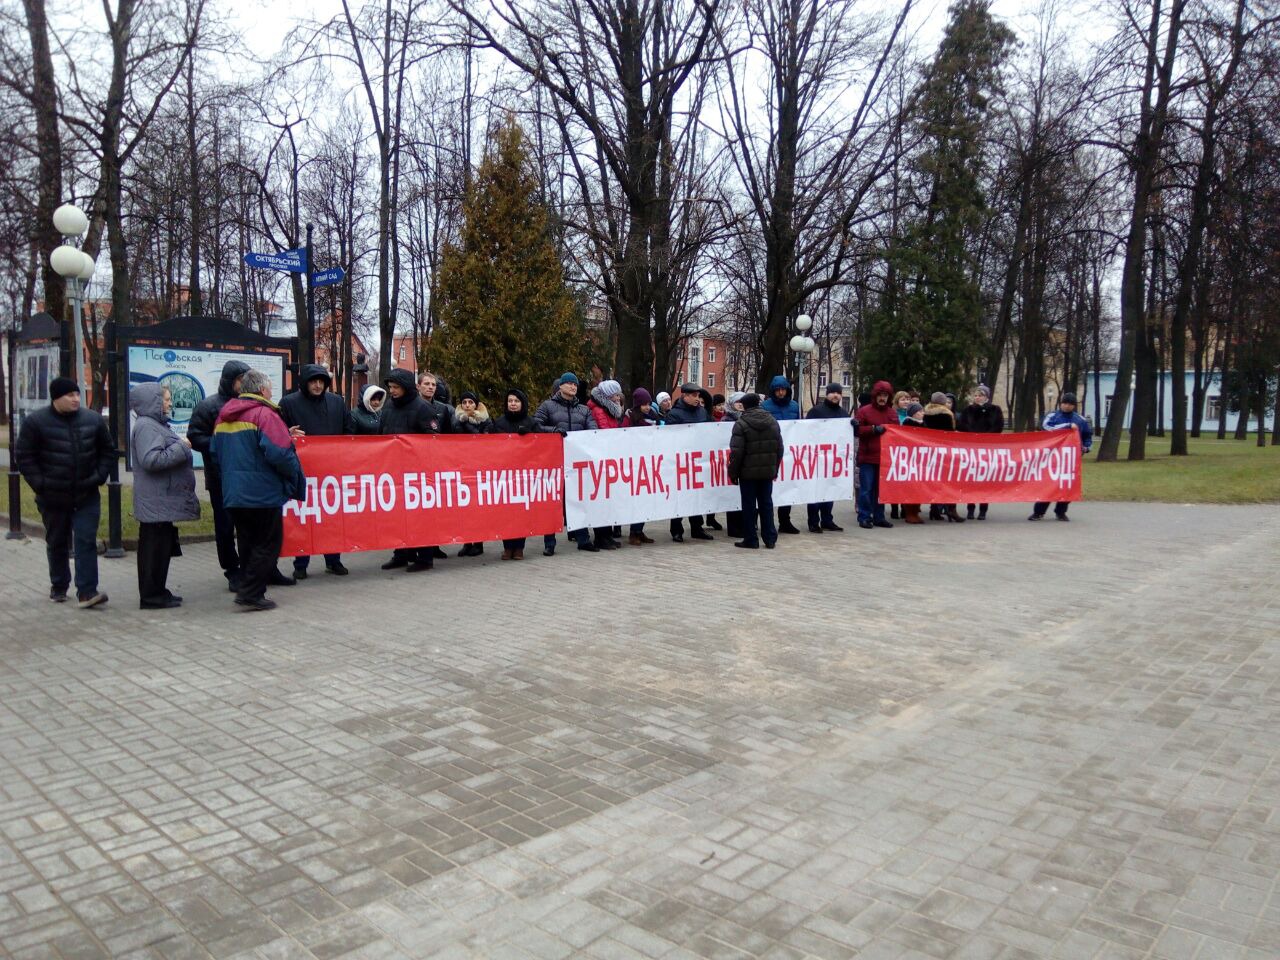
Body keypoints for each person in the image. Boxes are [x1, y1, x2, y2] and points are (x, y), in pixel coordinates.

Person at [211, 369, 306, 612]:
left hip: (234, 492)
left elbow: (214, 453)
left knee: (247, 542)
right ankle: (250, 593)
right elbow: (280, 454)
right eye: (270, 389)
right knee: (268, 543)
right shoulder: (264, 414)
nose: (271, 393)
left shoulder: (223, 417)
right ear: (262, 390)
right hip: (262, 493)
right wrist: (293, 473)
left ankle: (250, 586)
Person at [15, 377, 113, 608]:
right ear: (56, 398)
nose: (76, 399)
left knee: (86, 540)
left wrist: (99, 476)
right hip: (53, 496)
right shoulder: (36, 422)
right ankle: (59, 585)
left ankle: (87, 592)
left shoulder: (93, 420)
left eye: (77, 394)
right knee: (57, 541)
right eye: (70, 395)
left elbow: (107, 451)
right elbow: (25, 456)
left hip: (86, 493)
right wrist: (41, 484)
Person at [280, 365, 356, 578]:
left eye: (321, 381)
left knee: (332, 518)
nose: (317, 385)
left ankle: (333, 560)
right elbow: (276, 432)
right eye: (313, 381)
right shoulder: (288, 403)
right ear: (304, 383)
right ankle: (301, 564)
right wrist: (288, 435)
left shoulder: (336, 402)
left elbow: (349, 430)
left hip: (332, 472)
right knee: (303, 518)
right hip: (302, 471)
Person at [129, 383, 200, 609]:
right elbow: (151, 460)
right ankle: (151, 596)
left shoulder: (154, 424)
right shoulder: (146, 427)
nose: (170, 403)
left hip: (160, 500)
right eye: (166, 399)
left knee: (160, 549)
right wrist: (182, 447)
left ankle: (158, 591)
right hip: (156, 501)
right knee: (154, 550)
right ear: (153, 402)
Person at [189, 359, 252, 590]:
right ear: (229, 380)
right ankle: (232, 570)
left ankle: (254, 568)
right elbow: (195, 436)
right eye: (240, 379)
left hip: (247, 477)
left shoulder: (250, 404)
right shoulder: (208, 406)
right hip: (220, 477)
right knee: (225, 527)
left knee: (250, 526)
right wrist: (222, 443)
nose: (243, 384)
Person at [380, 368, 441, 571]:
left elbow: (433, 440)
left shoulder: (423, 408)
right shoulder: (389, 407)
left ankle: (425, 558)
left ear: (406, 387)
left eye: (396, 387)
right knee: (398, 516)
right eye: (390, 387)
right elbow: (381, 435)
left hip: (418, 473)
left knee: (420, 516)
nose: (392, 391)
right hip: (394, 471)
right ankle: (401, 554)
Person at [534, 372, 598, 554]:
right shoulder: (547, 406)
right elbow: (536, 425)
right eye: (569, 383)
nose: (572, 387)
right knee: (553, 501)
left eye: (575, 384)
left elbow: (593, 430)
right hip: (554, 461)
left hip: (576, 463)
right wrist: (553, 431)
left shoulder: (584, 410)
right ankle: (549, 543)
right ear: (560, 386)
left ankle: (583, 539)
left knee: (578, 500)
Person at [728, 393, 784, 549]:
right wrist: (775, 468)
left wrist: (733, 473)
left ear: (745, 405)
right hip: (767, 472)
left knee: (749, 506)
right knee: (766, 504)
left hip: (747, 473)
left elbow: (736, 452)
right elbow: (779, 448)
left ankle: (751, 539)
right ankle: (770, 538)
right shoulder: (772, 421)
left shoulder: (741, 423)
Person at [493, 387, 541, 560]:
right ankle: (507, 547)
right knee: (506, 512)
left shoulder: (531, 422)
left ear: (523, 403)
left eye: (516, 401)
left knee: (521, 511)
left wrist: (529, 435)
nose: (513, 404)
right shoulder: (499, 423)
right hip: (504, 474)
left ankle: (519, 547)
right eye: (510, 401)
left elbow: (541, 442)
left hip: (524, 475)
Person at [663, 383, 713, 543]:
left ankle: (697, 528)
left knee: (697, 496)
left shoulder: (702, 412)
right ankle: (676, 530)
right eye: (694, 395)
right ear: (684, 396)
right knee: (680, 496)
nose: (697, 399)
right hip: (681, 462)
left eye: (699, 396)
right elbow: (670, 438)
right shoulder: (674, 414)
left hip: (698, 460)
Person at [1031, 392, 1091, 521]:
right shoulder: (1052, 416)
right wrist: (1067, 426)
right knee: (1048, 485)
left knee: (1067, 486)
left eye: (1070, 404)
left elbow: (1087, 436)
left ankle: (1061, 512)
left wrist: (1086, 447)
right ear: (1061, 403)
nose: (1067, 406)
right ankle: (1038, 512)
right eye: (1065, 403)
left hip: (1070, 460)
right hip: (1052, 458)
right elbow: (1044, 427)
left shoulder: (1080, 420)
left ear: (1074, 406)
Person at [584, 380, 626, 549]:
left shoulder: (609, 410)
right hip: (601, 460)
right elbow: (604, 433)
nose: (618, 398)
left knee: (608, 501)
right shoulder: (599, 411)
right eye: (615, 395)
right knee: (601, 502)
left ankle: (607, 535)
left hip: (608, 459)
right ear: (608, 396)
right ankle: (601, 537)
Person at [451, 391, 492, 557]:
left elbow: (484, 440)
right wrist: (463, 421)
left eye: (470, 402)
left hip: (480, 468)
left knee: (478, 508)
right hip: (463, 468)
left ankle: (478, 543)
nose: (467, 405)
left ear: (476, 404)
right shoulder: (457, 420)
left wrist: (469, 423)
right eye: (464, 402)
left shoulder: (485, 420)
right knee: (464, 509)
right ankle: (467, 543)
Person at [804, 383, 848, 533]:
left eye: (838, 393)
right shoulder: (816, 411)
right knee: (816, 491)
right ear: (827, 394)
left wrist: (853, 426)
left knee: (830, 489)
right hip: (817, 458)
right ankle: (813, 522)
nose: (835, 395)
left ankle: (827, 520)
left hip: (834, 458)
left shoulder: (843, 413)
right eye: (832, 392)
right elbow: (806, 432)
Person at [854, 380, 897, 529]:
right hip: (867, 456)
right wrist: (872, 429)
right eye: (880, 395)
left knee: (880, 490)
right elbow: (857, 430)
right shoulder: (864, 411)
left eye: (885, 395)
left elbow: (897, 433)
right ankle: (864, 516)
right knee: (866, 489)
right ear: (875, 396)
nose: (882, 398)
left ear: (888, 397)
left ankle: (879, 517)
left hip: (884, 457)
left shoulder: (892, 413)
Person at [761, 375, 801, 534]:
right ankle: (767, 522)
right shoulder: (765, 406)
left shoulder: (794, 406)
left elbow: (799, 426)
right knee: (767, 489)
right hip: (771, 451)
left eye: (783, 389)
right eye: (777, 390)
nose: (780, 393)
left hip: (789, 452)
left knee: (787, 486)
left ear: (787, 390)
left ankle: (785, 521)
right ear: (773, 391)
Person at [958, 384, 1004, 519]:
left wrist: (986, 437)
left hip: (987, 449)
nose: (977, 398)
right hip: (971, 449)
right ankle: (970, 509)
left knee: (985, 480)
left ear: (986, 397)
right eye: (976, 395)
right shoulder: (968, 410)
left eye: (980, 395)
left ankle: (983, 509)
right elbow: (961, 425)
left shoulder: (995, 410)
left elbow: (998, 426)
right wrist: (973, 435)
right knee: (971, 479)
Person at [622, 387, 658, 545]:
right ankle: (633, 532)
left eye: (649, 404)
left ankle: (640, 530)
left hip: (649, 461)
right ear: (637, 404)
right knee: (637, 500)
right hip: (635, 462)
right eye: (644, 404)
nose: (647, 407)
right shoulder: (630, 416)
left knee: (646, 499)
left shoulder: (653, 416)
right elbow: (622, 434)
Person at [923, 392, 965, 522]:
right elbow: (949, 432)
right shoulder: (946, 414)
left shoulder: (926, 413)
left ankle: (934, 509)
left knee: (935, 481)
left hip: (932, 451)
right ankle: (951, 509)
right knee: (950, 480)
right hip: (946, 451)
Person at [898, 402, 926, 524]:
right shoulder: (907, 423)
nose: (922, 413)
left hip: (922, 458)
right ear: (913, 413)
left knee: (920, 487)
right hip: (910, 459)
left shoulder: (924, 424)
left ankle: (915, 511)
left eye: (922, 411)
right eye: (919, 411)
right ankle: (909, 512)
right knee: (911, 487)